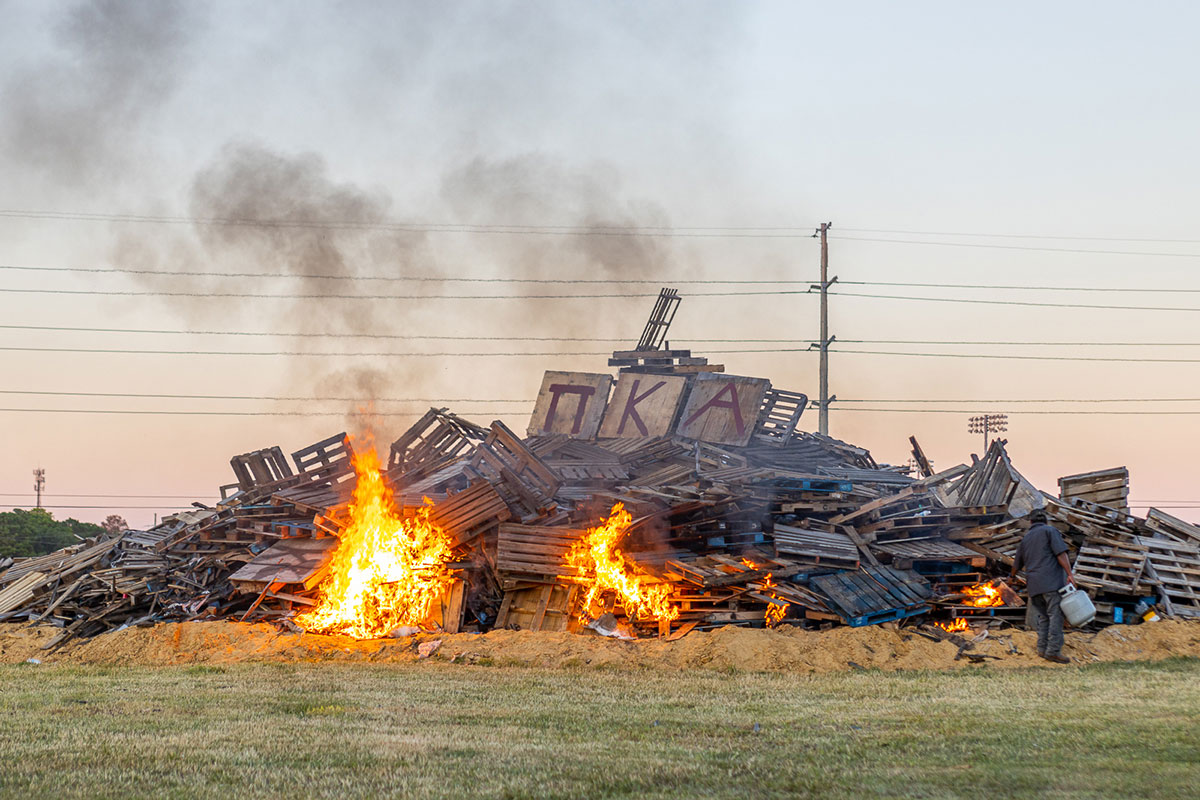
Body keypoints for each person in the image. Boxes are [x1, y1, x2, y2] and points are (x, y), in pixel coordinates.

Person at [1010, 509, 1075, 664]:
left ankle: (1042, 648)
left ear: (1031, 522)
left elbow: (1016, 563)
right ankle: (1052, 651)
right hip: (1051, 583)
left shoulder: (1025, 539)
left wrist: (1011, 578)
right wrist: (1070, 574)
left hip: (1034, 587)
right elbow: (1061, 554)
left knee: (1044, 617)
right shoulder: (1050, 531)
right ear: (1045, 521)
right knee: (1055, 616)